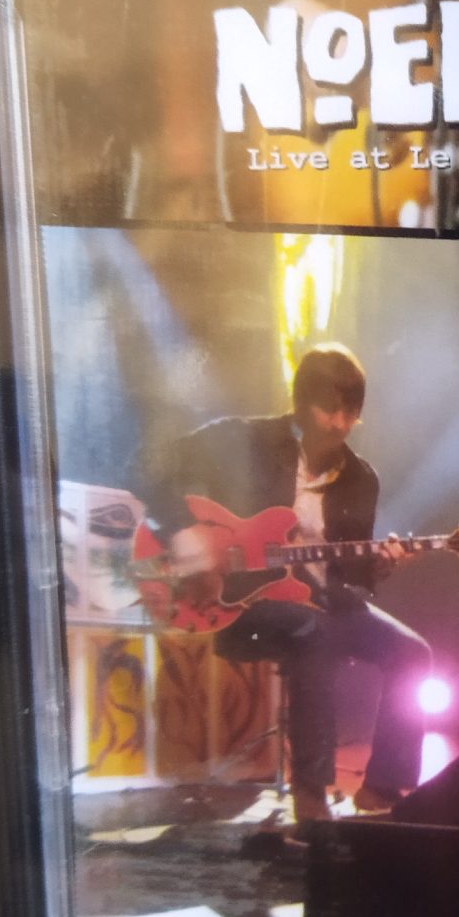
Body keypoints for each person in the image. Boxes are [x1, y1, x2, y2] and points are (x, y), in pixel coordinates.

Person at [147, 344, 430, 820]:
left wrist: (380, 565)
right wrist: (184, 534)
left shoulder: (361, 479)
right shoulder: (248, 439)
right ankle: (311, 795)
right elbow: (154, 466)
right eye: (329, 409)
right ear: (301, 403)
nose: (339, 424)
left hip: (322, 603)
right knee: (312, 631)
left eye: (350, 413)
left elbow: (353, 578)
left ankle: (381, 788)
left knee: (412, 652)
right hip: (239, 601)